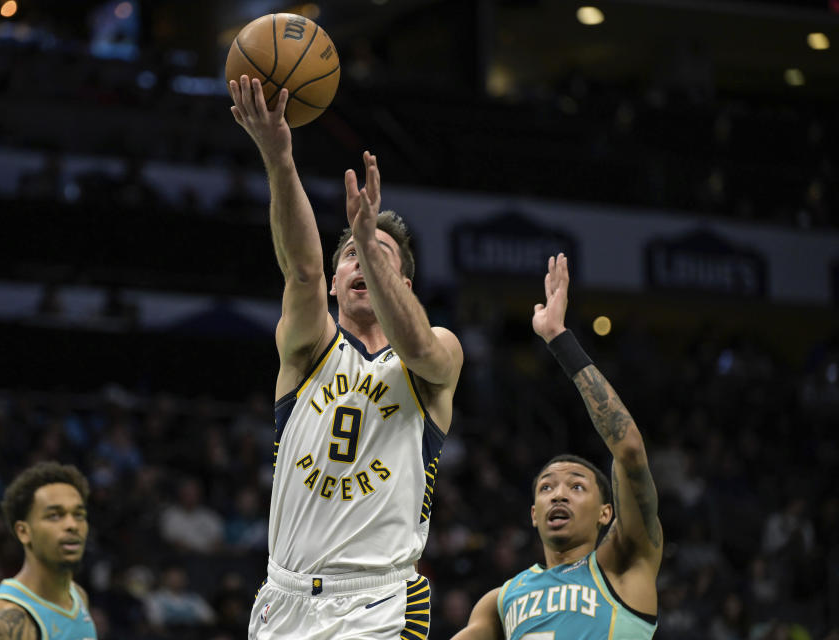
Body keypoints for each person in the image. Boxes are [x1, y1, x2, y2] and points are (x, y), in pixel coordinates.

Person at [228, 74, 463, 640]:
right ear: (337, 283)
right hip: (283, 597)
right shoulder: (309, 349)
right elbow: (300, 269)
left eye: (378, 258)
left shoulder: (436, 353)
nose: (363, 263)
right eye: (352, 256)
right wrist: (279, 157)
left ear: (404, 284)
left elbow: (418, 346)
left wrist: (367, 232)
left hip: (379, 602)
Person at [452, 254, 661, 639]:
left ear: (606, 513)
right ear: (533, 514)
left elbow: (629, 449)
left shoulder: (624, 565)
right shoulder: (500, 601)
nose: (558, 494)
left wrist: (558, 339)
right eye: (546, 487)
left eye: (576, 486)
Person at [0, 461, 96, 640]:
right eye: (55, 515)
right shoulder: (2, 620)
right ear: (24, 532)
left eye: (78, 515)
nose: (72, 525)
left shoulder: (79, 596)